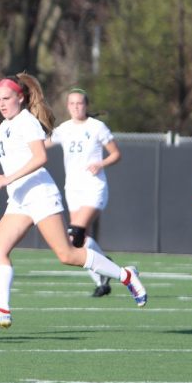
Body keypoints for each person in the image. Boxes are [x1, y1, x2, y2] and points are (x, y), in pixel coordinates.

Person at [0, 74, 146, 329]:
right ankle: (2, 310)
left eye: (6, 98)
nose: (1, 103)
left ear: (20, 97)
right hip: (20, 198)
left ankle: (125, 275)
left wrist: (9, 178)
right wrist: (12, 183)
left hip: (39, 193)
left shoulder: (25, 122)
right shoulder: (5, 125)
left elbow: (41, 157)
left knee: (67, 254)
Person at [46, 88, 122, 296]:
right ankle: (102, 278)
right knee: (77, 240)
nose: (75, 107)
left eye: (79, 103)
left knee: (76, 233)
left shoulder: (97, 127)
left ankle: (105, 267)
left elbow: (116, 154)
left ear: (86, 105)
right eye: (71, 103)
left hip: (94, 187)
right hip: (73, 189)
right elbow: (42, 144)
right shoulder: (64, 129)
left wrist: (101, 163)